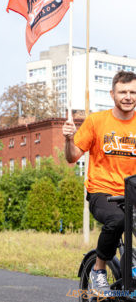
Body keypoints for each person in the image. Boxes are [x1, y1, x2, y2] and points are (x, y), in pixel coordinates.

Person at [63, 70, 136, 295]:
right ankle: (98, 269)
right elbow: (72, 157)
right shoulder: (97, 121)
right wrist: (68, 139)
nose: (128, 96)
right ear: (112, 94)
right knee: (117, 220)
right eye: (123, 91)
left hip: (132, 192)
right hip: (102, 192)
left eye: (133, 91)